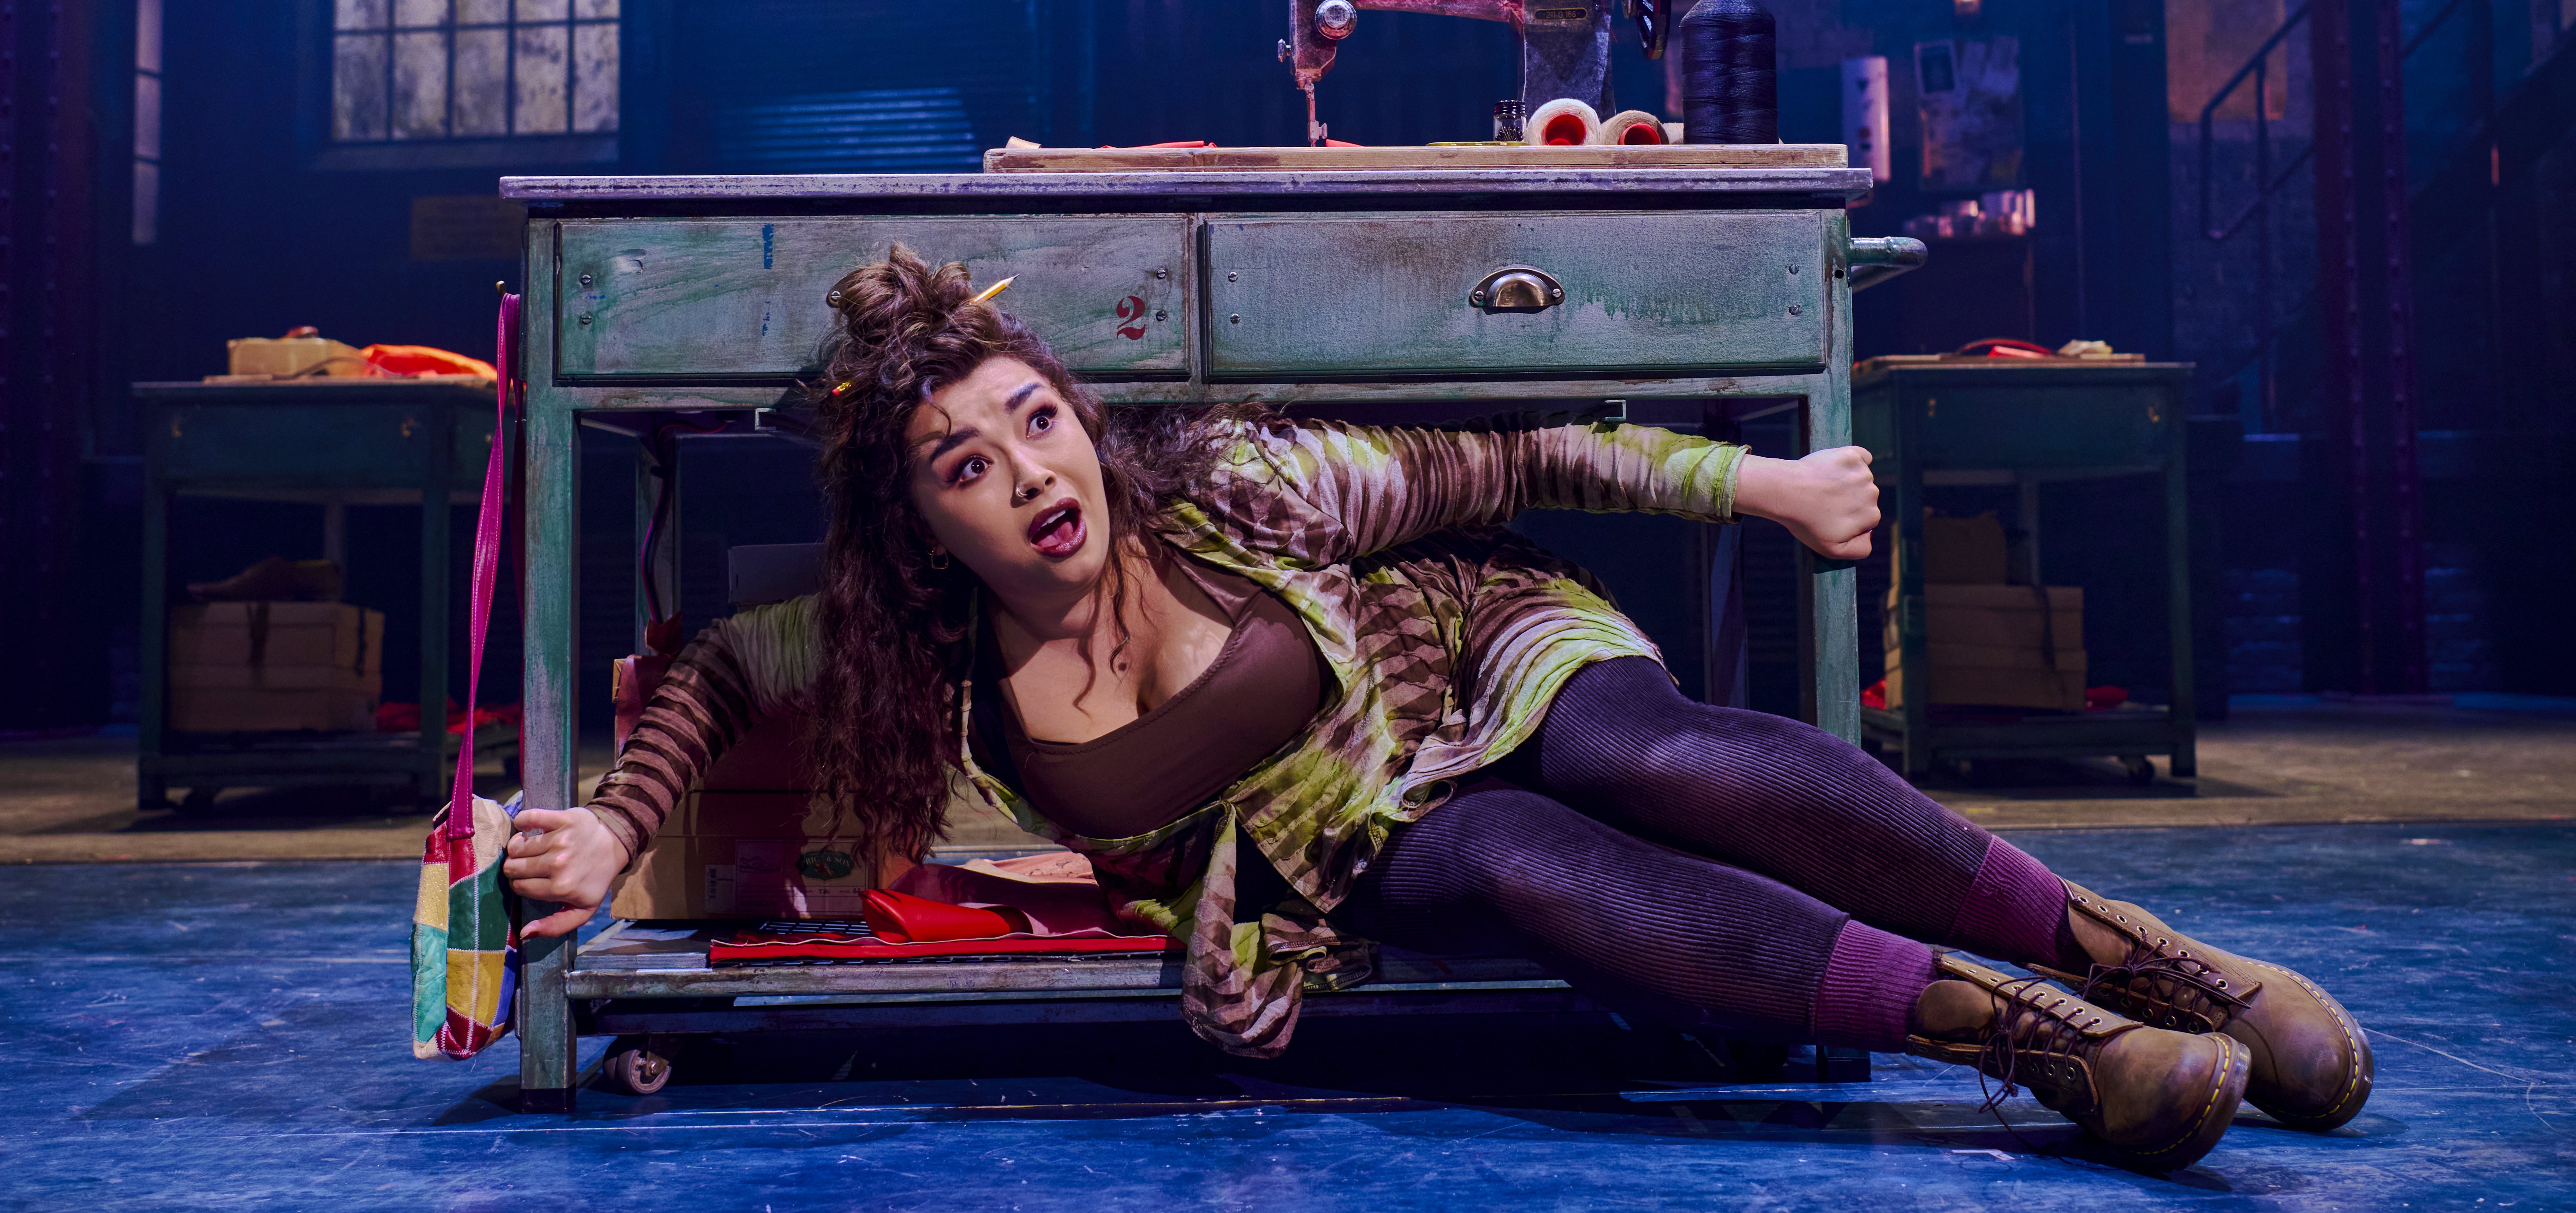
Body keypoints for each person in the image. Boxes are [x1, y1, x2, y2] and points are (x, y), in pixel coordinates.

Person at [506, 246, 2370, 1171]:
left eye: (1038, 421)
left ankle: (2165, 969)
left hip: (1475, 651)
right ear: (919, 520)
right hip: (1373, 838)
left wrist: (1770, 488)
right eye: (965, 464)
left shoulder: (1234, 484)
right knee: (1532, 866)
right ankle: (2042, 1043)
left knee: (1647, 751)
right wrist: (606, 817)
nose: (1029, 473)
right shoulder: (945, 668)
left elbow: (1526, 443)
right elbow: (725, 669)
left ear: (1082, 416)